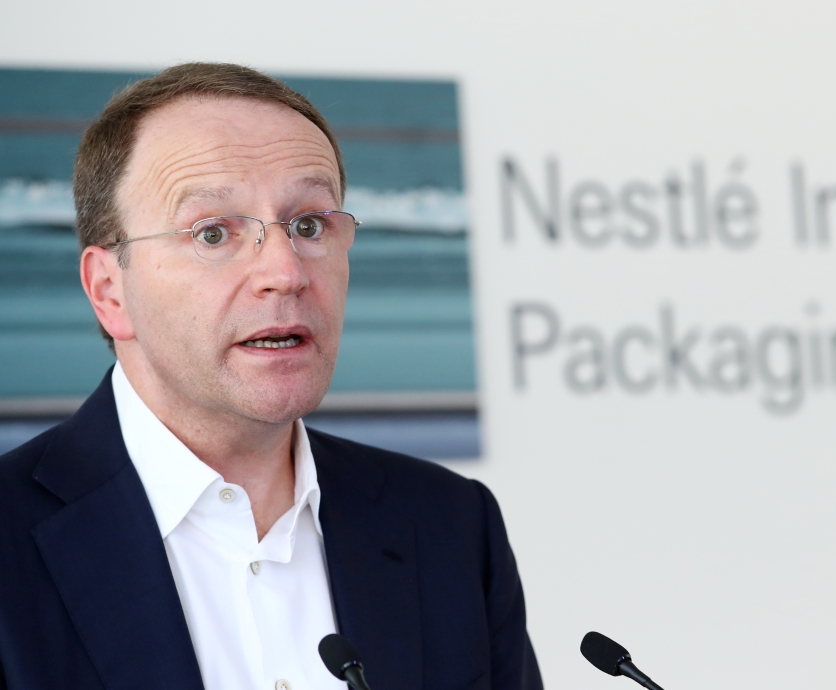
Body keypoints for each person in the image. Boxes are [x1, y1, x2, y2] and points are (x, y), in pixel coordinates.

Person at [0, 63, 542, 690]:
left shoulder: (449, 525)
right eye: (212, 233)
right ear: (109, 290)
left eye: (309, 225)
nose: (285, 272)